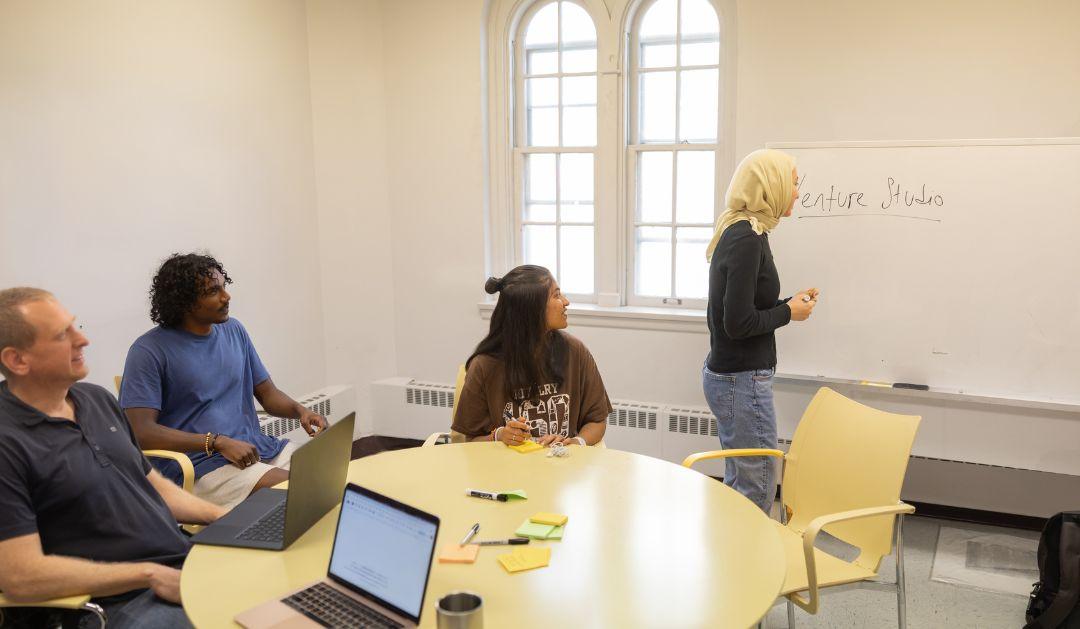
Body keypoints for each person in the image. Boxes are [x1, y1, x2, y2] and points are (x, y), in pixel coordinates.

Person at [0, 288, 226, 628]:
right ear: (17, 360)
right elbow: (21, 576)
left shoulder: (95, 399)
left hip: (178, 564)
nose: (83, 340)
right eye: (63, 335)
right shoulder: (7, 442)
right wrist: (148, 575)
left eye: (75, 326)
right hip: (108, 601)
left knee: (282, 594)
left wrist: (223, 516)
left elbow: (151, 485)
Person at [119, 253, 327, 511]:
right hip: (200, 468)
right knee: (305, 490)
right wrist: (216, 442)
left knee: (332, 475)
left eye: (224, 287)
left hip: (257, 450)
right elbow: (140, 432)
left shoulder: (234, 331)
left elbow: (267, 393)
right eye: (213, 291)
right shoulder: (149, 351)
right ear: (184, 302)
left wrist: (300, 411)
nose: (226, 297)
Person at [702, 149, 819, 514]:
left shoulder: (747, 230)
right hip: (741, 380)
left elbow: (744, 309)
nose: (797, 192)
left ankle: (734, 565)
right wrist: (788, 312)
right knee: (758, 487)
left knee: (743, 483)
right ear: (771, 186)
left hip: (734, 378)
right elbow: (737, 325)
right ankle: (749, 568)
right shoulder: (746, 238)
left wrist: (788, 304)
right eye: (794, 182)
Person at [453, 265, 611, 447]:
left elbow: (597, 420)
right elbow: (470, 441)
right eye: (556, 295)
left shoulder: (575, 351)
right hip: (506, 472)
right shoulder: (484, 365)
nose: (566, 302)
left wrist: (576, 443)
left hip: (564, 469)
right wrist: (500, 435)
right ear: (532, 310)